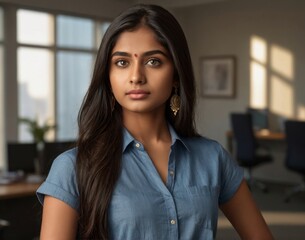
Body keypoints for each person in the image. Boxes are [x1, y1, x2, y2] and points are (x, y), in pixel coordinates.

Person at [36, 4, 274, 240]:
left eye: (153, 61)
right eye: (122, 62)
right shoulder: (72, 169)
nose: (136, 76)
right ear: (107, 77)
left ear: (176, 76)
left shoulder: (212, 158)